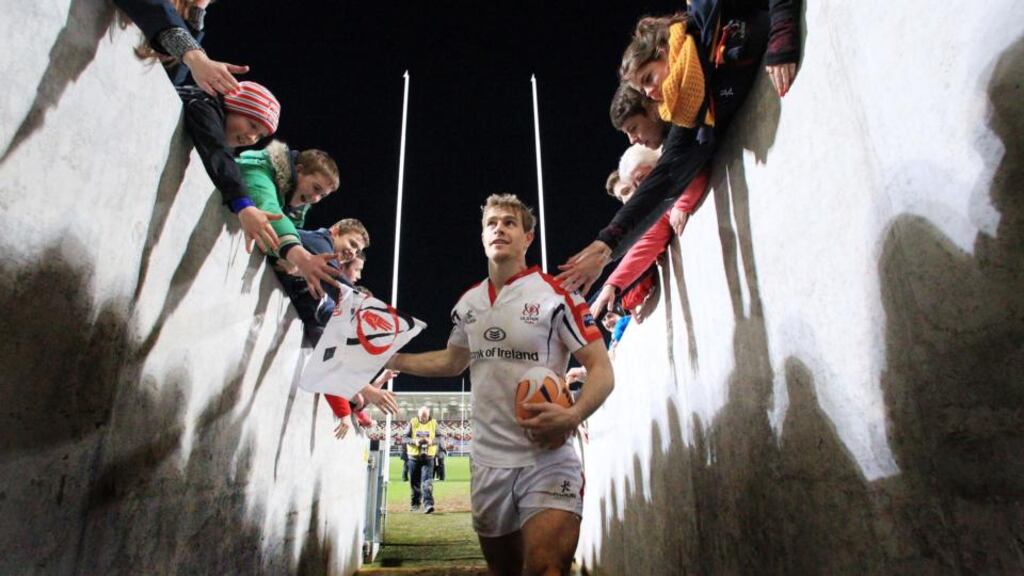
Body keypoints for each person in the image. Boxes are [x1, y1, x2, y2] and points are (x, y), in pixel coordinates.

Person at [387, 194, 614, 576]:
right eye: (491, 223)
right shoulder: (469, 303)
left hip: (547, 457)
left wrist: (573, 415)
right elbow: (451, 361)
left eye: (510, 223)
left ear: (528, 238)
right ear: (482, 236)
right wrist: (391, 359)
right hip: (489, 463)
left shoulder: (557, 295)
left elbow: (601, 369)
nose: (499, 229)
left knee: (546, 568)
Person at [558, 0, 801, 294]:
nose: (650, 93)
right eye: (642, 89)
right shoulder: (689, 120)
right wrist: (606, 245)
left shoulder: (707, 19)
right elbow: (662, 183)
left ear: (664, 51)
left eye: (648, 78)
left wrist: (783, 31)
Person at [176, 80, 287, 257]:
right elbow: (216, 151)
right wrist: (244, 205)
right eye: (252, 125)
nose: (252, 138)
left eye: (260, 136)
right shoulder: (202, 104)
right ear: (233, 107)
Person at [236, 139, 343, 298]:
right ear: (299, 170)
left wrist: (284, 260)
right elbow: (267, 208)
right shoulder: (259, 167)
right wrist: (302, 258)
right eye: (316, 188)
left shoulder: (294, 211)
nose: (315, 199)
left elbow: (270, 242)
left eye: (322, 196)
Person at [114, 0, 247, 95]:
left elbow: (169, 81)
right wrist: (196, 58)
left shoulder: (179, 13)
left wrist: (196, 12)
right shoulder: (163, 12)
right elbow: (156, 9)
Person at [407, 406, 438, 513]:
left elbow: (441, 438)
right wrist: (414, 441)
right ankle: (415, 504)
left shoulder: (434, 423)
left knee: (427, 482)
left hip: (428, 457)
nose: (422, 418)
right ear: (418, 415)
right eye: (421, 416)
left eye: (425, 416)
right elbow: (404, 438)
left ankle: (428, 504)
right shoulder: (412, 422)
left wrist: (431, 441)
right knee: (414, 482)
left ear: (428, 415)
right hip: (414, 457)